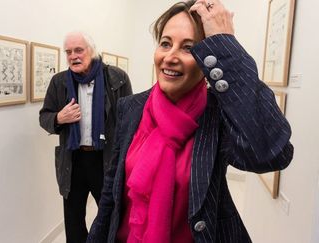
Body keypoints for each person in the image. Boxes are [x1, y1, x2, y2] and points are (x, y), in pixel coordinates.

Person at [87, 0, 294, 242]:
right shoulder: (131, 107)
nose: (170, 57)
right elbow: (112, 192)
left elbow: (272, 153)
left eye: (188, 48)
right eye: (165, 43)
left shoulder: (216, 114)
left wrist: (226, 44)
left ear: (208, 59)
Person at [39, 31, 133, 243]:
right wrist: (59, 118)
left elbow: (129, 121)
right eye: (69, 52)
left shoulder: (117, 78)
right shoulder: (59, 82)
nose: (73, 56)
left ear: (92, 51)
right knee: (73, 221)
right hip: (72, 161)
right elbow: (44, 117)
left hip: (105, 160)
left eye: (79, 50)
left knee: (111, 217)